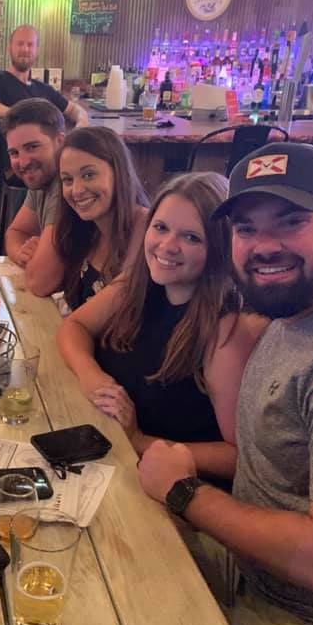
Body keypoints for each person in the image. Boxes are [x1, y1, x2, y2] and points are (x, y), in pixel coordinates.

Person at [138, 143, 313, 625]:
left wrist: (182, 491)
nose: (264, 246)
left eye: (290, 222)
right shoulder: (295, 308)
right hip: (254, 577)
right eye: (246, 229)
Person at [57, 172, 265, 482]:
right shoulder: (138, 281)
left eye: (191, 237)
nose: (167, 246)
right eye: (161, 227)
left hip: (168, 489)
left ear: (219, 249)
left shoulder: (225, 330)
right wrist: (93, 377)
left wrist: (139, 440)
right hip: (106, 450)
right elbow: (73, 327)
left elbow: (238, 457)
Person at [26, 126, 150, 309]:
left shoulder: (146, 226)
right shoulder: (84, 228)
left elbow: (118, 311)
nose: (76, 190)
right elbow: (39, 285)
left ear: (118, 172)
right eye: (67, 180)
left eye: (88, 175)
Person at [0, 25, 88, 215]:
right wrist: (18, 115)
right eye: (20, 44)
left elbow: (75, 110)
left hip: (46, 163)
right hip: (17, 167)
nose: (25, 49)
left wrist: (81, 126)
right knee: (73, 177)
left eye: (30, 45)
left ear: (36, 50)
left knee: (78, 174)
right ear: (10, 48)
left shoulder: (42, 89)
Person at [3, 98, 65, 267]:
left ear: (60, 142)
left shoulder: (65, 188)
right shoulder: (41, 178)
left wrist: (37, 262)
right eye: (14, 152)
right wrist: (23, 255)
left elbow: (42, 280)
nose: (23, 162)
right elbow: (16, 232)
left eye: (32, 147)